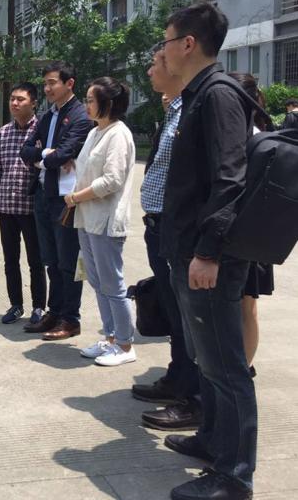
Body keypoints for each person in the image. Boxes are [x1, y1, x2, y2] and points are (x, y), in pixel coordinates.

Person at [159, 2, 256, 500]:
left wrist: (209, 252)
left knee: (226, 366)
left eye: (166, 41)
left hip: (208, 257)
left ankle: (234, 476)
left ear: (188, 44)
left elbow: (229, 180)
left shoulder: (217, 96)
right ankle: (214, 442)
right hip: (190, 251)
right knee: (209, 362)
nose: (162, 51)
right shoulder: (199, 94)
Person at [133, 50, 201, 431]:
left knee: (188, 317)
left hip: (177, 228)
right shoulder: (174, 111)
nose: (150, 70)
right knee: (175, 311)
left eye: (156, 62)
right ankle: (178, 379)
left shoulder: (194, 109)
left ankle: (192, 397)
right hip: (159, 225)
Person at [64, 77, 136, 366]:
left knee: (112, 284)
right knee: (97, 281)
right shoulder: (96, 132)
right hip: (87, 218)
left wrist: (76, 196)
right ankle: (110, 337)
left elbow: (112, 180)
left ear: (108, 103)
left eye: (91, 100)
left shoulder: (118, 134)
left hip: (105, 219)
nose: (86, 105)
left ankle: (125, 344)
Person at [19, 61, 92, 341]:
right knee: (50, 259)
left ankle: (70, 319)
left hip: (66, 199)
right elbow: (26, 150)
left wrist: (49, 156)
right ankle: (55, 311)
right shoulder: (47, 116)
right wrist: (45, 156)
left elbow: (62, 155)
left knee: (68, 261)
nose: (47, 89)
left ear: (69, 83)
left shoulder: (80, 116)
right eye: (45, 84)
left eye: (52, 83)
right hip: (43, 194)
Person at [228, 72, 275, 378]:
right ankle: (242, 365)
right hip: (253, 234)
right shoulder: (255, 131)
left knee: (246, 306)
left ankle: (243, 367)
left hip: (248, 235)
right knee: (245, 305)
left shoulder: (252, 136)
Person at [0, 82, 46, 324]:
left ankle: (39, 307)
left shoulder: (42, 131)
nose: (14, 103)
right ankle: (16, 305)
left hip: (32, 208)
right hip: (7, 207)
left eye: (20, 99)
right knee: (10, 260)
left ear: (33, 103)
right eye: (12, 98)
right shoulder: (3, 133)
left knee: (36, 261)